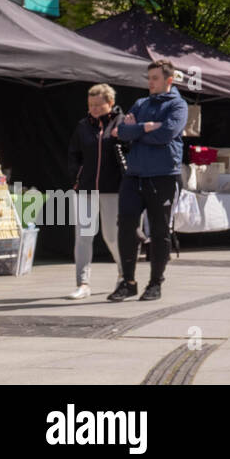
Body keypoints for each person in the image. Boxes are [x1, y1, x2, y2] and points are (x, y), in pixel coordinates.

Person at [109, 59, 188, 302]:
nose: (150, 83)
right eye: (149, 78)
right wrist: (147, 128)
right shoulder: (141, 103)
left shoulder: (178, 105)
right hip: (134, 175)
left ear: (169, 80)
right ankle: (128, 281)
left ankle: (155, 283)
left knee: (160, 230)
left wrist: (138, 130)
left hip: (163, 175)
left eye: (155, 78)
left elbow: (166, 134)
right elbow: (120, 132)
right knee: (125, 227)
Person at [68, 84, 127, 300]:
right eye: (90, 104)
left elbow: (129, 151)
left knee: (112, 236)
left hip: (113, 189)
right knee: (83, 236)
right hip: (85, 189)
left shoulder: (122, 123)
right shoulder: (83, 126)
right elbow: (73, 154)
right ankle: (83, 283)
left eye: (98, 104)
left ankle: (123, 274)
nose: (93, 108)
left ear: (110, 103)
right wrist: (76, 179)